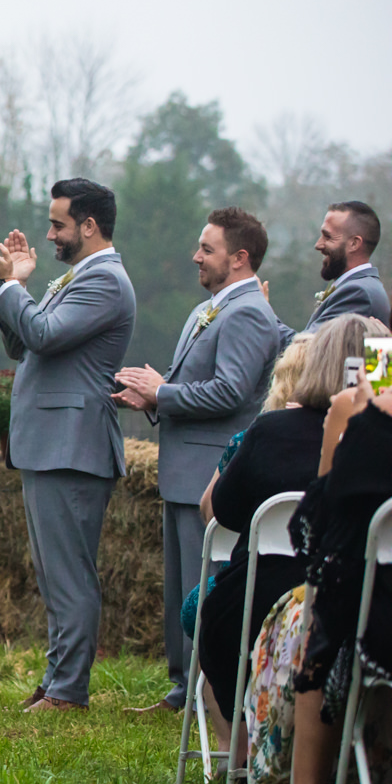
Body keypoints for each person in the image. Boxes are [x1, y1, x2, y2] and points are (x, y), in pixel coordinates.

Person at [0, 178, 135, 713]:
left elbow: (43, 334)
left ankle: (69, 691)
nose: (48, 234)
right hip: (52, 443)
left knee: (69, 575)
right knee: (55, 573)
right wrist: (16, 285)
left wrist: (8, 287)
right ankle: (55, 680)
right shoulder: (74, 278)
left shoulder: (105, 282)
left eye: (58, 224)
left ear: (89, 226)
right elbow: (25, 340)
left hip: (73, 444)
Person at [114, 207, 281, 713]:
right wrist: (151, 396)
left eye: (207, 249)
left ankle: (202, 697)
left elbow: (232, 392)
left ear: (240, 257)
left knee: (201, 589)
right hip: (183, 470)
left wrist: (164, 393)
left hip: (210, 473)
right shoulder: (210, 307)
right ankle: (180, 690)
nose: (196, 256)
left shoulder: (249, 311)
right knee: (180, 589)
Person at [192, 316, 384, 746]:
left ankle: (240, 759)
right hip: (370, 605)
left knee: (216, 625)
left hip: (257, 601)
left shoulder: (269, 432)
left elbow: (222, 510)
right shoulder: (380, 438)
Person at [276, 380, 392, 784]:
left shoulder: (365, 419)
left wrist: (350, 414)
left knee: (323, 625)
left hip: (382, 633)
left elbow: (325, 544)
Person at [277, 200, 388, 344]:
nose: (318, 245)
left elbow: (305, 351)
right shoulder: (359, 287)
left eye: (327, 236)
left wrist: (263, 317)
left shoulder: (359, 292)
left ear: (354, 244)